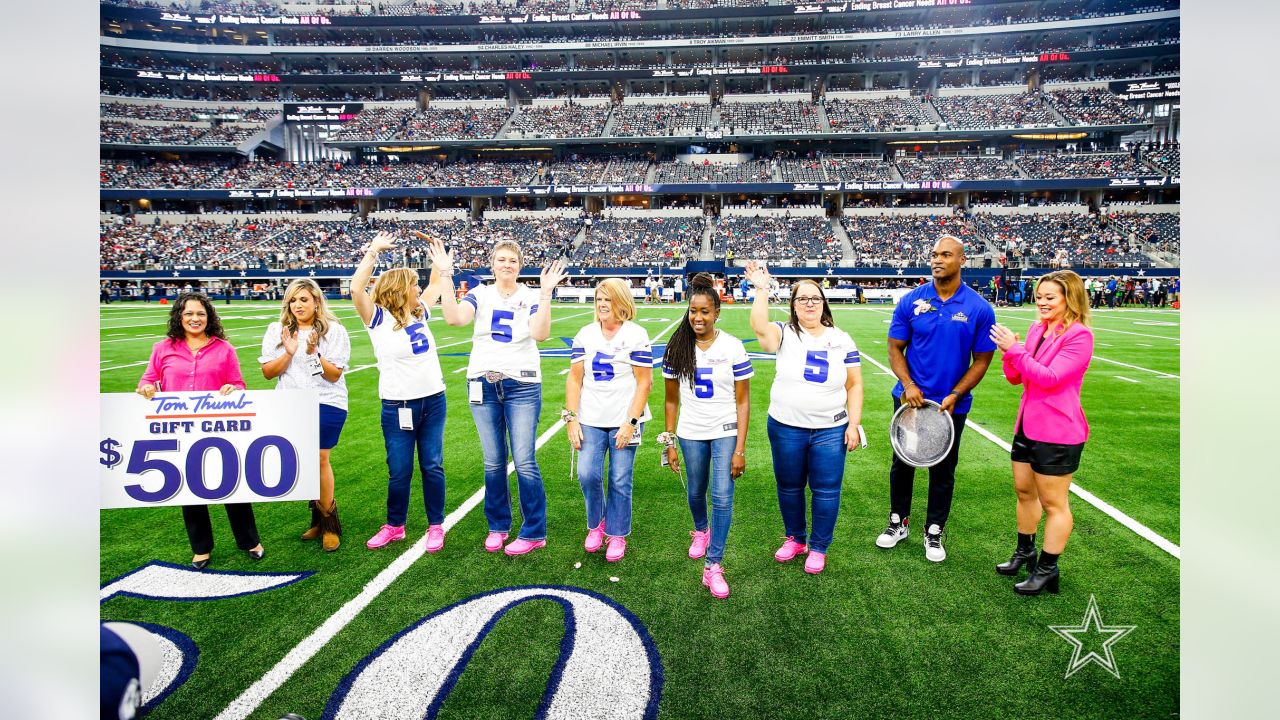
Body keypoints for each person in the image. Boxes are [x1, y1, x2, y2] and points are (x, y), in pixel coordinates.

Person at [430, 237, 567, 556]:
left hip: (522, 383)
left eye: (513, 260)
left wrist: (546, 294)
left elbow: (541, 334)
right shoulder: (480, 293)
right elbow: (454, 319)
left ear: (520, 266)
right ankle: (498, 525)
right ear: (493, 264)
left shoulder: (531, 295)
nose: (507, 264)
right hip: (482, 381)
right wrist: (445, 275)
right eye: (501, 259)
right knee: (493, 461)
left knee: (524, 459)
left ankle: (534, 530)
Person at [878, 235, 995, 563]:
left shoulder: (978, 308)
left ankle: (933, 530)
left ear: (962, 260)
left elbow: (982, 359)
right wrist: (907, 384)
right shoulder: (911, 300)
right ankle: (897, 523)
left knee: (943, 469)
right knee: (903, 463)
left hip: (950, 405)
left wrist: (957, 393)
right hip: (910, 400)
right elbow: (894, 348)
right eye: (934, 254)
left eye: (946, 254)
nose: (937, 260)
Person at [745, 261, 864, 575]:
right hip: (786, 426)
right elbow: (759, 326)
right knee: (789, 486)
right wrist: (761, 289)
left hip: (829, 427)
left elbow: (854, 384)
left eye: (815, 298)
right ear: (793, 305)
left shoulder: (842, 338)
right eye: (802, 298)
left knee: (826, 489)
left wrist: (853, 424)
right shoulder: (784, 333)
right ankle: (796, 538)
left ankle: (820, 546)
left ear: (823, 303)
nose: (810, 303)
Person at [137, 292, 263, 568]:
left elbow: (239, 384)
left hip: (219, 429)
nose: (195, 319)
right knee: (190, 489)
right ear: (179, 317)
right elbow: (148, 380)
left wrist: (234, 389)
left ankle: (250, 540)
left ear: (209, 317)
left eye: (201, 314)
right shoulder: (163, 348)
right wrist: (146, 388)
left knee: (233, 484)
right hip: (181, 430)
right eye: (189, 314)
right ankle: (201, 547)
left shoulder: (224, 349)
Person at [989, 270, 1094, 595]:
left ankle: (1048, 568)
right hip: (1027, 425)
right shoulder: (1037, 329)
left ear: (1070, 299)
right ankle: (1025, 551)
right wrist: (1010, 353)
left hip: (1058, 431)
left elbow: (1049, 378)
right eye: (1039, 296)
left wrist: (1015, 351)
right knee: (1024, 492)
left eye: (1050, 297)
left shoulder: (1079, 336)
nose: (1042, 302)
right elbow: (1018, 377)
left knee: (1054, 503)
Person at [351, 232, 448, 553]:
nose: (418, 288)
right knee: (400, 470)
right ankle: (395, 525)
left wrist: (439, 255)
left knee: (432, 465)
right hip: (397, 405)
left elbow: (435, 284)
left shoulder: (420, 311)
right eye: (413, 284)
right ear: (399, 289)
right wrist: (373, 252)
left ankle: (436, 525)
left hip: (433, 400)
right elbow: (356, 288)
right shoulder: (377, 318)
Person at [660, 273, 751, 599]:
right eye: (693, 311)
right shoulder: (677, 346)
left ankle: (713, 565)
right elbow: (671, 399)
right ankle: (701, 530)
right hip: (690, 431)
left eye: (705, 312)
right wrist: (669, 440)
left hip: (725, 428)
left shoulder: (732, 346)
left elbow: (743, 400)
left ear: (717, 313)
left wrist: (740, 447)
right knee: (696, 491)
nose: (698, 317)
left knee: (723, 496)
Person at [564, 278, 653, 563]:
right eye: (599, 299)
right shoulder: (585, 334)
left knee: (619, 478)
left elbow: (644, 383)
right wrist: (571, 418)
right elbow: (575, 379)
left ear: (622, 302)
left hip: (624, 417)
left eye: (608, 299)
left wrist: (631, 421)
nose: (602, 304)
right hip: (590, 416)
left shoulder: (636, 334)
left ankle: (617, 534)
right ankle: (596, 524)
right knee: (587, 474)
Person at [259, 279, 351, 552]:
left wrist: (314, 354)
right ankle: (318, 520)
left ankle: (330, 524)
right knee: (305, 463)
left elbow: (333, 376)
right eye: (293, 300)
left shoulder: (334, 331)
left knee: (321, 458)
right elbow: (268, 372)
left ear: (316, 302)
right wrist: (289, 353)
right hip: (291, 402)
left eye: (304, 300)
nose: (298, 305)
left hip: (327, 400)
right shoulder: (277, 330)